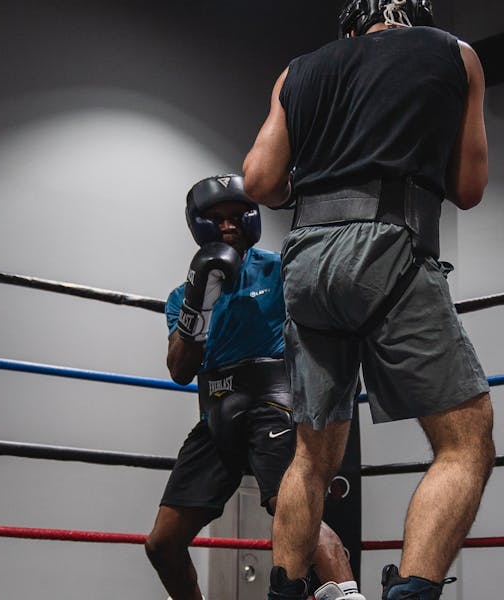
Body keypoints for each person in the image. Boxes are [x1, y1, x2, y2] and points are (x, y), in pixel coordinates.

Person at [242, 1, 495, 599]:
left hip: (303, 262)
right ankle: (411, 593)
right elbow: (469, 188)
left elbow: (257, 181)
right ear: (416, 15)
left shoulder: (297, 70)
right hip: (388, 249)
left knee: (311, 454)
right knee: (465, 442)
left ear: (352, 23)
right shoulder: (453, 53)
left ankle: (284, 594)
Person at [144, 174, 363, 600]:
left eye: (236, 216)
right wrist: (199, 301)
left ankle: (348, 596)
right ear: (199, 225)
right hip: (217, 418)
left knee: (292, 508)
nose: (228, 225)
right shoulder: (181, 294)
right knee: (163, 543)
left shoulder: (282, 269)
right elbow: (179, 369)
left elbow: (331, 319)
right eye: (216, 218)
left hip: (274, 408)